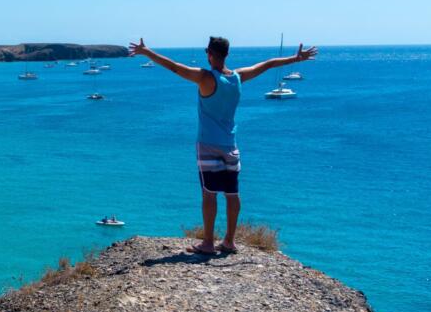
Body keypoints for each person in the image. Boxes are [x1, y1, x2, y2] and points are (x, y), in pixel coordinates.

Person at [128, 35, 317, 255]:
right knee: (232, 193)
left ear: (209, 53)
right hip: (230, 145)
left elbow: (174, 67)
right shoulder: (238, 77)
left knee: (209, 193)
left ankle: (208, 242)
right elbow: (268, 64)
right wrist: (296, 58)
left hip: (208, 145)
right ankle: (229, 241)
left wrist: (146, 52)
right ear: (226, 54)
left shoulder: (206, 78)